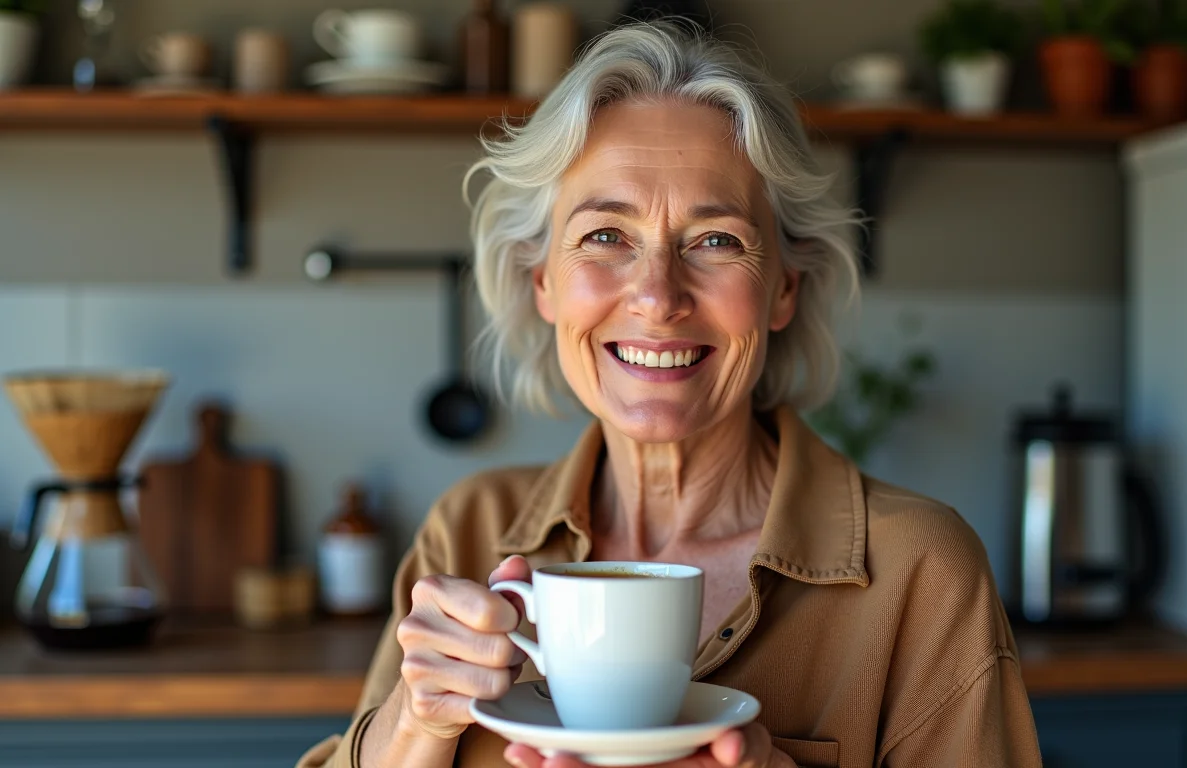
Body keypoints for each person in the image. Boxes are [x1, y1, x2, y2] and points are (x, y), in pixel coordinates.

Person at [299, 21, 1041, 768]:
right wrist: (413, 722)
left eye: (715, 241)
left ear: (782, 287)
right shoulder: (470, 532)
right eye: (605, 237)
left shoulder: (921, 573)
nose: (657, 297)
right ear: (544, 284)